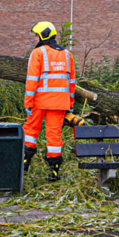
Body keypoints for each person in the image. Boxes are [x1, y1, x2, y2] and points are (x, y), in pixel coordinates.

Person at [22, 21, 77, 182]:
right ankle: (54, 172)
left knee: (31, 131)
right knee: (54, 136)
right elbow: (71, 83)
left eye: (37, 36)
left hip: (39, 102)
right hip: (60, 104)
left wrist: (28, 102)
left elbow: (32, 80)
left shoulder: (38, 53)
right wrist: (70, 104)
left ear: (43, 36)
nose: (35, 39)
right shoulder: (68, 55)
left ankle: (24, 165)